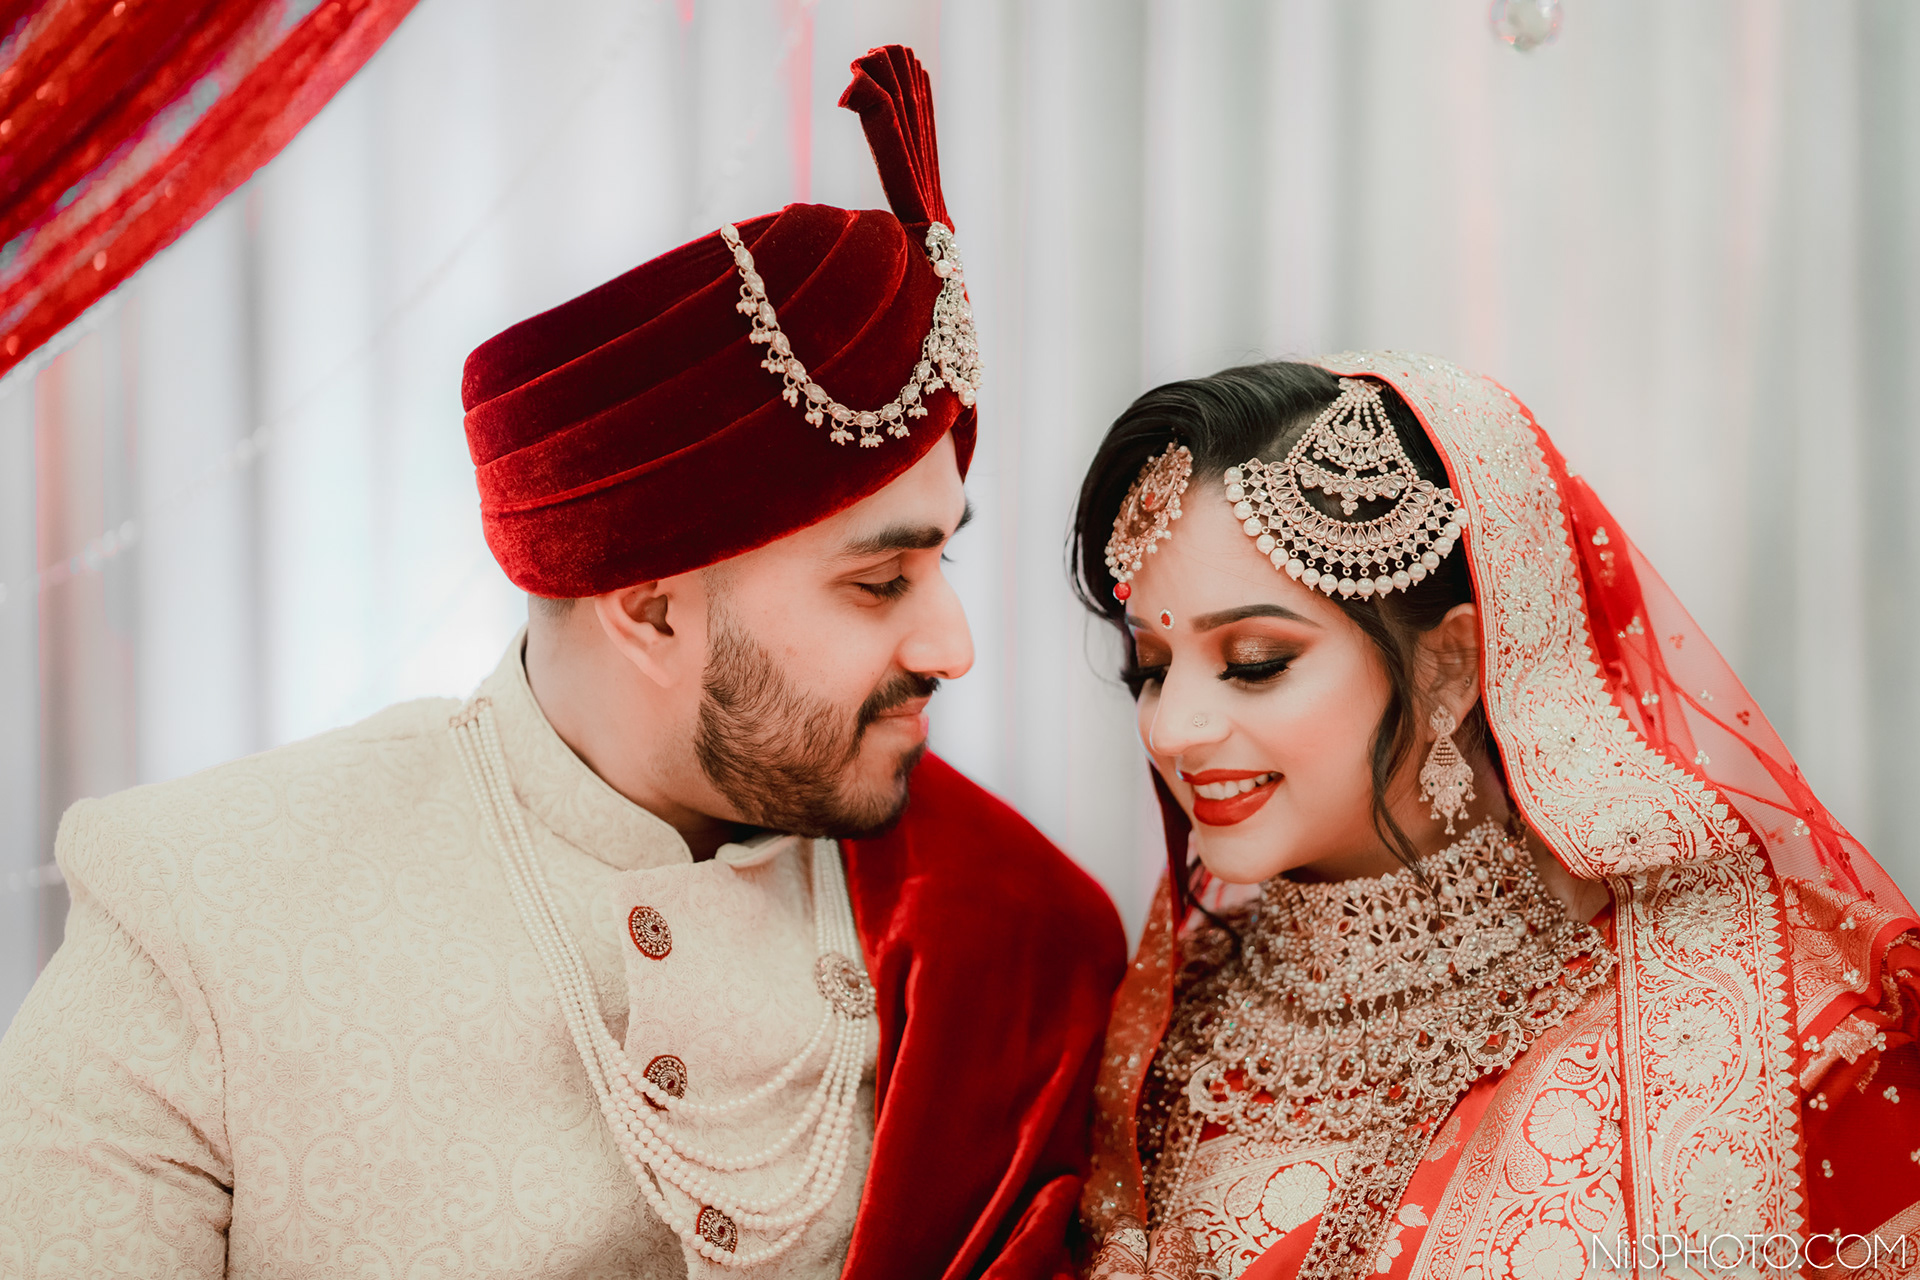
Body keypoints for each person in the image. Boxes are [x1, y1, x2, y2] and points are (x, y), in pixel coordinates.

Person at [0, 46, 1124, 1279]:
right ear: (647, 609)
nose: (953, 645)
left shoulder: (1010, 935)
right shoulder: (202, 907)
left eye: (941, 559)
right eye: (879, 581)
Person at [1067, 356, 1920, 1280]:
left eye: (1256, 661)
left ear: (1451, 665)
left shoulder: (1791, 1033)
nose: (1173, 728)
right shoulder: (1164, 1031)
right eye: (1151, 668)